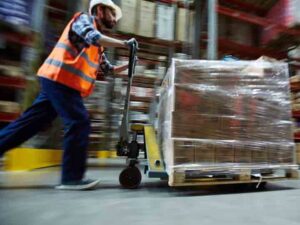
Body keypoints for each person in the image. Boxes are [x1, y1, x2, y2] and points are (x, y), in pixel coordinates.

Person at [0, 0, 137, 190]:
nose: (115, 19)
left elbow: (108, 69)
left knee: (28, 125)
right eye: (112, 14)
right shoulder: (83, 20)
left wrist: (127, 65)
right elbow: (93, 37)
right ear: (99, 10)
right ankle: (71, 178)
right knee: (79, 121)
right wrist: (124, 44)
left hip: (60, 82)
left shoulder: (99, 45)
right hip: (59, 80)